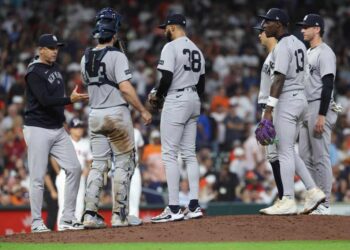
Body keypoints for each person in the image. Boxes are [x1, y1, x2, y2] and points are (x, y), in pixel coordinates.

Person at [80, 7, 152, 229]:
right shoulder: (117, 55)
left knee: (98, 164)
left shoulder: (85, 56)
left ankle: (89, 215)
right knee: (123, 163)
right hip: (116, 114)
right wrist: (142, 110)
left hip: (94, 115)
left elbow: (89, 82)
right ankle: (120, 216)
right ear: (114, 32)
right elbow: (125, 88)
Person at [256, 8, 326, 215]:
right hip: (300, 99)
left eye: (268, 22)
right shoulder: (299, 44)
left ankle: (287, 199)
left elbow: (279, 78)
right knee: (288, 149)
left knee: (283, 151)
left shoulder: (283, 45)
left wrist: (269, 109)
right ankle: (313, 191)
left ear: (279, 24)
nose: (265, 25)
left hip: (286, 99)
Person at [23, 33, 89, 232]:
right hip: (37, 128)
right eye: (51, 48)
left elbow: (56, 100)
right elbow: (44, 100)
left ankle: (68, 217)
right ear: (41, 49)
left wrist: (63, 122)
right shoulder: (34, 72)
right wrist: (70, 100)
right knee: (37, 177)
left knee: (75, 168)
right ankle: (36, 222)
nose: (55, 51)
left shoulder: (56, 68)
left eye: (56, 48)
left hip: (57, 128)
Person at [149, 13, 205, 223]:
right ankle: (194, 205)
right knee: (189, 154)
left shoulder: (170, 47)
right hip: (193, 100)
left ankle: (173, 207)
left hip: (177, 99)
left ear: (172, 27)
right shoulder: (197, 49)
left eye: (166, 28)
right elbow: (202, 86)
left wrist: (158, 95)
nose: (165, 31)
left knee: (170, 154)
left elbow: (167, 78)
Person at [297, 14, 341, 214]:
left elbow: (328, 84)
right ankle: (315, 200)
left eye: (306, 27)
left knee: (321, 156)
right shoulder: (307, 52)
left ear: (317, 29)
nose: (302, 30)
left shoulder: (325, 52)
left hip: (318, 106)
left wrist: (322, 114)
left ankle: (325, 203)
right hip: (306, 107)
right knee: (305, 156)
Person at [55, 117, 92, 226]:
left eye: (80, 127)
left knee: (80, 203)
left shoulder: (85, 142)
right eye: (76, 127)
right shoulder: (64, 141)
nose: (79, 130)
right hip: (65, 175)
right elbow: (53, 158)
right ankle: (62, 229)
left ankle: (76, 230)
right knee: (63, 203)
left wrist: (87, 169)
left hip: (80, 177)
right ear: (70, 129)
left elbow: (90, 160)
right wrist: (58, 171)